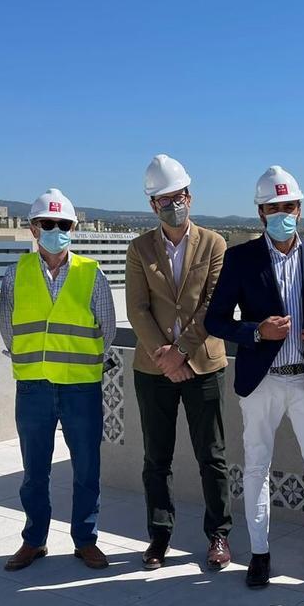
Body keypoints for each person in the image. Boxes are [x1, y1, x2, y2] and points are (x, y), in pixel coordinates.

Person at [205, 165, 304, 589]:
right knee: (256, 467)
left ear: (300, 209)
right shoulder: (240, 258)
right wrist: (255, 331)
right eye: (273, 207)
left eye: (288, 206)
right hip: (261, 380)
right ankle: (260, 553)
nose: (282, 213)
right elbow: (216, 320)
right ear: (260, 213)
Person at [0, 188, 115, 572]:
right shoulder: (16, 273)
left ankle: (85, 540)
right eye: (47, 224)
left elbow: (108, 328)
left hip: (81, 386)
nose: (55, 230)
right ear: (34, 228)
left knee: (86, 469)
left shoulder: (91, 272)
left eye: (63, 224)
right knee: (34, 472)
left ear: (73, 229)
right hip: (33, 385)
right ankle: (34, 540)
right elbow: (8, 326)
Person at [127, 154, 232, 571]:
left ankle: (219, 535)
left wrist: (182, 353)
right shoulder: (139, 248)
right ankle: (159, 535)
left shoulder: (214, 243)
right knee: (157, 457)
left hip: (203, 363)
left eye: (181, 196)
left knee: (213, 455)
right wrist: (165, 358)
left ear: (190, 195)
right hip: (153, 369)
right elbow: (136, 310)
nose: (176, 204)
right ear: (153, 204)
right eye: (166, 199)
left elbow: (214, 304)